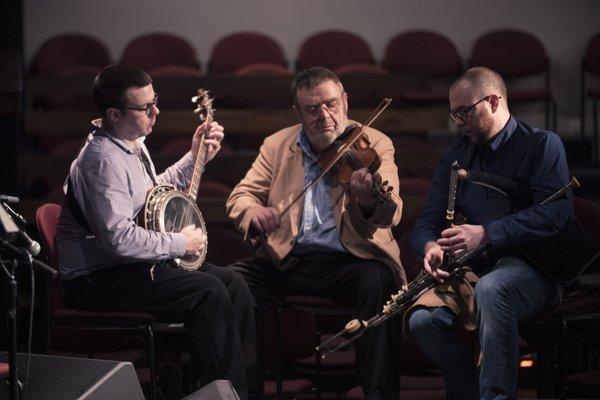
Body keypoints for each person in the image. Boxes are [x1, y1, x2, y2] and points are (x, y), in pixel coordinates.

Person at [55, 64, 255, 399]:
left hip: (125, 268)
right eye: (145, 107)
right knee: (208, 291)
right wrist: (180, 243)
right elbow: (119, 239)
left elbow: (150, 195)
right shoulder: (102, 161)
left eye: (155, 101)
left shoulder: (129, 142)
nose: (155, 111)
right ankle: (219, 395)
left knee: (234, 284)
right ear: (114, 114)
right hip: (96, 281)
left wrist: (196, 158)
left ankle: (244, 390)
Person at [226, 66, 406, 400]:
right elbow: (241, 196)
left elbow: (390, 210)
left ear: (345, 101)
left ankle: (377, 394)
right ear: (298, 111)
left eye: (331, 104)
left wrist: (367, 198)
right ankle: (242, 393)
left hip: (350, 260)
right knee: (227, 284)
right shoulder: (278, 144)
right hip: (288, 260)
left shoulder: (375, 142)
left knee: (381, 283)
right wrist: (253, 212)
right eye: (312, 109)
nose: (324, 115)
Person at [408, 67, 571, 400]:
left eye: (464, 111)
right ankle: (467, 393)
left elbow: (555, 214)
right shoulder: (455, 155)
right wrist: (428, 246)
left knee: (493, 289)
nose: (457, 121)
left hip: (533, 269)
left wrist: (487, 233)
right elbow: (427, 220)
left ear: (494, 102)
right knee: (421, 322)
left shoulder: (542, 145)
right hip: (473, 272)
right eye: (453, 112)